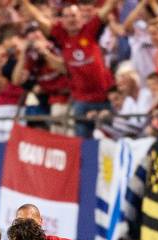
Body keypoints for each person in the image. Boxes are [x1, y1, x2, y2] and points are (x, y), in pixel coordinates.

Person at [22, 0, 120, 138]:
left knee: (111, 139)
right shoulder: (61, 36)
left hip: (105, 97)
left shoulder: (90, 29)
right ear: (61, 20)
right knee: (82, 143)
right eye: (66, 16)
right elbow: (39, 18)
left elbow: (109, 6)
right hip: (81, 101)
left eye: (73, 15)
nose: (70, 19)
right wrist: (24, 3)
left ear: (81, 17)